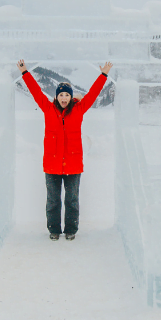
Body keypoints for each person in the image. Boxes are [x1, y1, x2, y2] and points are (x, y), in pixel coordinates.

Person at [18, 59, 112, 241]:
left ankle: (71, 230)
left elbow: (93, 94)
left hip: (73, 165)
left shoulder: (79, 110)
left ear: (70, 97)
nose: (63, 98)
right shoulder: (48, 109)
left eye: (66, 96)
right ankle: (54, 230)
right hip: (52, 164)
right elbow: (36, 92)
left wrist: (103, 75)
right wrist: (25, 73)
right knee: (53, 201)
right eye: (60, 95)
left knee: (72, 201)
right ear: (56, 97)